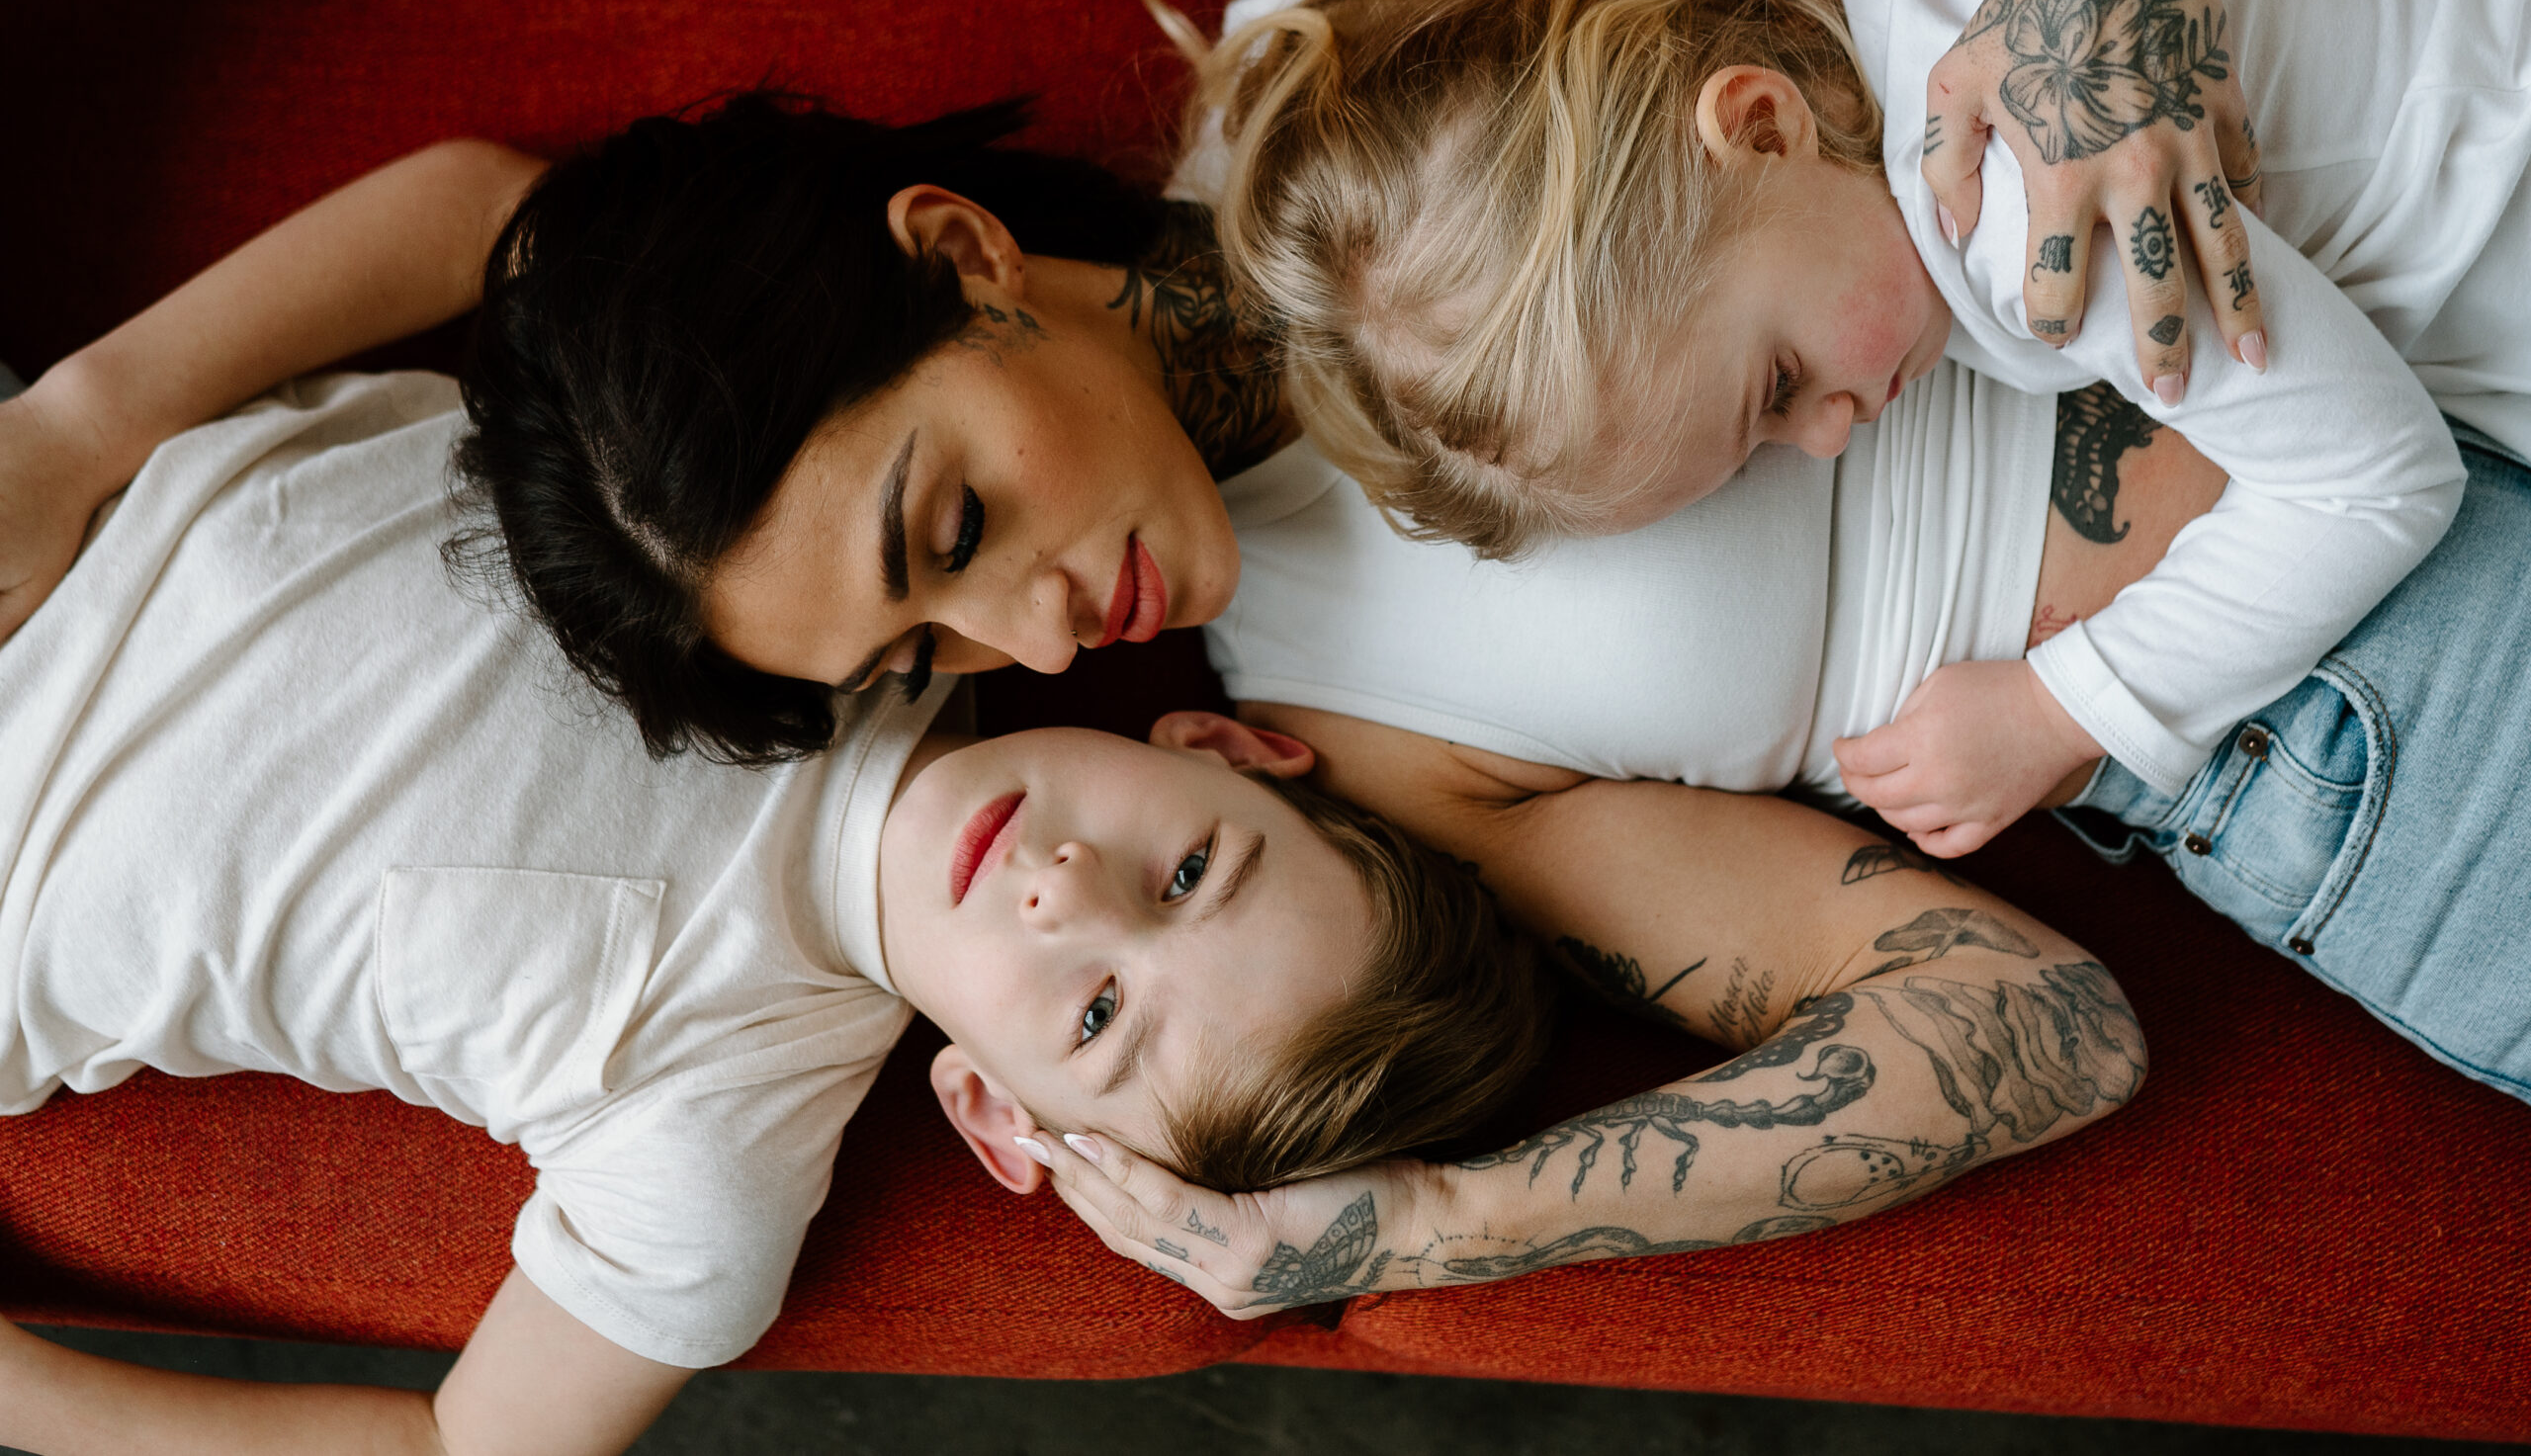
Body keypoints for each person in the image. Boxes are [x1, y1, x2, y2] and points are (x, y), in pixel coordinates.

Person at [0, 0, 2209, 1335]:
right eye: (934, 660)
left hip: (2326, 131)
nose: (1046, 642)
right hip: (2323, 682)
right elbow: (2010, 1015)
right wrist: (1427, 1228)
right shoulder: (1338, 752)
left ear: (959, 256)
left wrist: (84, 422)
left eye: (949, 530)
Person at [0, 367, 2138, 1450]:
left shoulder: (708, 1130)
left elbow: (483, 1450)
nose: (1055, 884)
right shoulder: (897, 556)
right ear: (1225, 754)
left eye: (1094, 1013)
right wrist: (84, 411)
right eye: (1186, 868)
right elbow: (499, 213)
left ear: (1000, 1124)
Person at [1193, 0, 2531, 853]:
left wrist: (2066, 708)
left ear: (1758, 125)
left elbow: (2375, 481)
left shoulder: (2020, 197)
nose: (1834, 433)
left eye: (1776, 386)